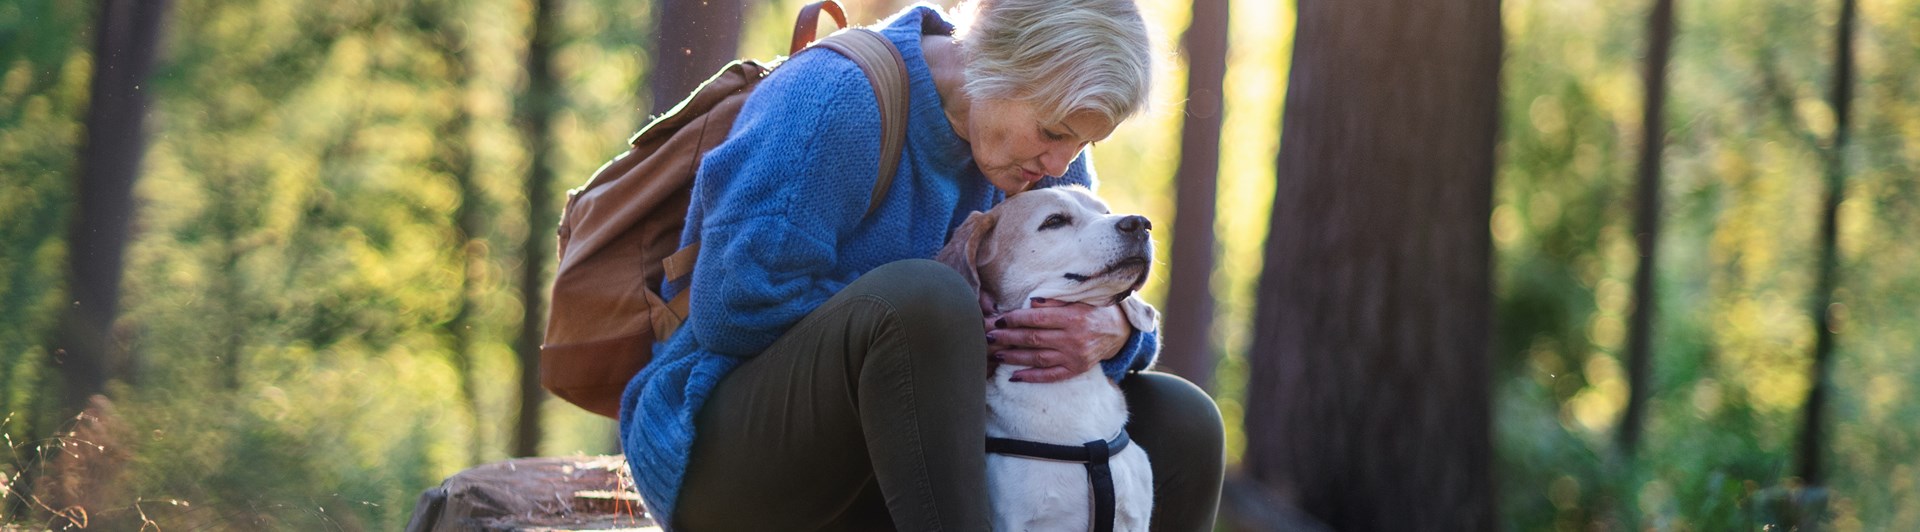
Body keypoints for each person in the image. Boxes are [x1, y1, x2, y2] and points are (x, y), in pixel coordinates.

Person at [619, 0, 1224, 529]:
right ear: (998, 63)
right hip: (733, 459)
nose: (1061, 159)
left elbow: (1089, 284)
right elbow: (733, 306)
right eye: (1053, 131)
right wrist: (946, 328)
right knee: (928, 300)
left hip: (920, 457)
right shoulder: (834, 99)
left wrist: (1111, 332)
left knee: (1183, 422)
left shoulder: (1042, 159)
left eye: (1083, 144)